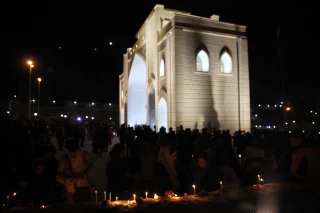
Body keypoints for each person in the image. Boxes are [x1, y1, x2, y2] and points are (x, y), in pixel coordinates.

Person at [56, 139, 94, 204]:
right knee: (72, 208)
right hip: (70, 189)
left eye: (75, 152)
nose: (74, 155)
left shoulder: (85, 155)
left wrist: (83, 176)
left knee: (85, 207)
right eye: (72, 153)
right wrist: (69, 180)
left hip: (84, 187)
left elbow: (92, 168)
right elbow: (58, 176)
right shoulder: (63, 160)